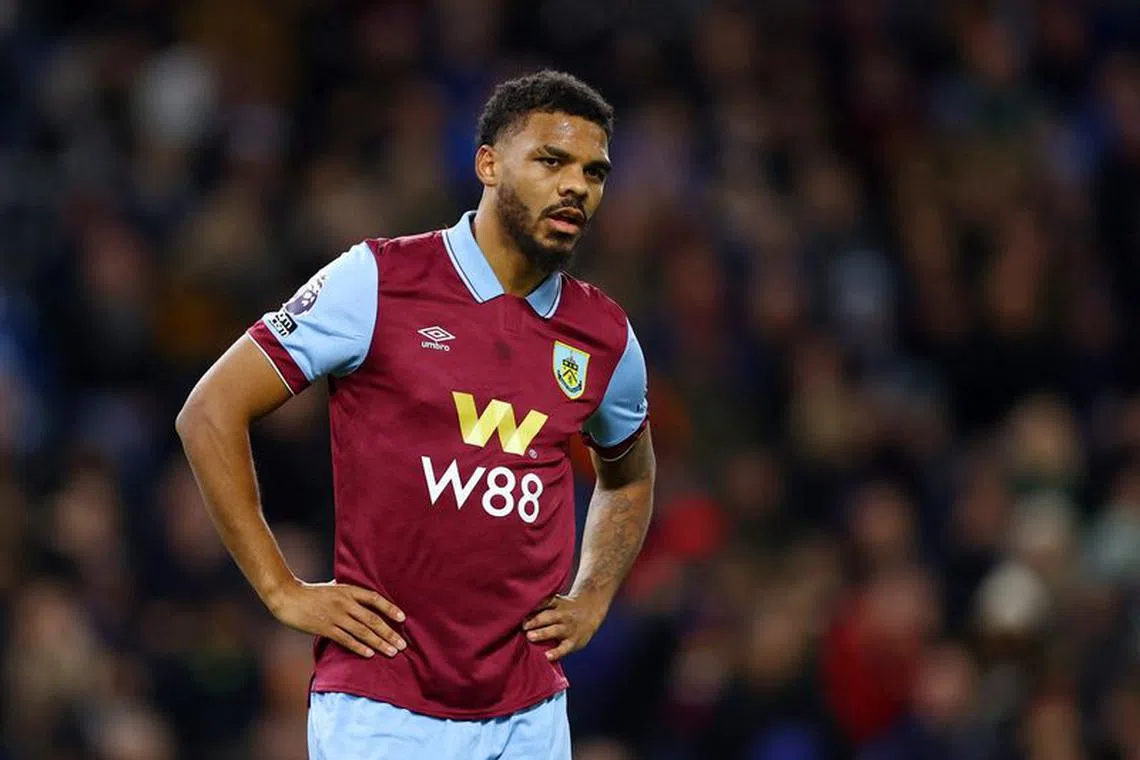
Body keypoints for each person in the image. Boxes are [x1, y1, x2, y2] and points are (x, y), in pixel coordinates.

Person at [176, 70, 656, 759]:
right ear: (487, 163)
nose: (576, 185)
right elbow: (210, 411)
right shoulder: (377, 281)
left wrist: (592, 595)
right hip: (382, 704)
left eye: (595, 171)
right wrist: (280, 590)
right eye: (551, 161)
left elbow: (629, 477)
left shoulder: (604, 335)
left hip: (531, 710)